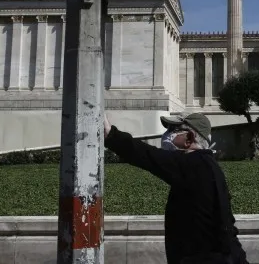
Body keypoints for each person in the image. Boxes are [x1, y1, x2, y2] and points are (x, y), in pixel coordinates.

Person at [104, 112, 248, 264]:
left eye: (173, 130)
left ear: (190, 138)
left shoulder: (192, 164)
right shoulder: (209, 166)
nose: (167, 135)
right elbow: (226, 224)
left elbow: (147, 155)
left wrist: (111, 135)